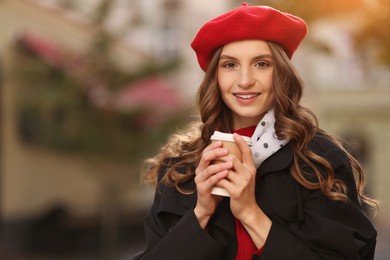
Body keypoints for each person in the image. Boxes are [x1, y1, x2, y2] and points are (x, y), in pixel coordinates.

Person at [133, 3, 378, 260]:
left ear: (281, 73)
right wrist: (201, 213)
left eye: (261, 64)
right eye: (230, 65)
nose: (245, 80)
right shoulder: (181, 166)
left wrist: (251, 213)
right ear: (215, 76)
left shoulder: (319, 160)